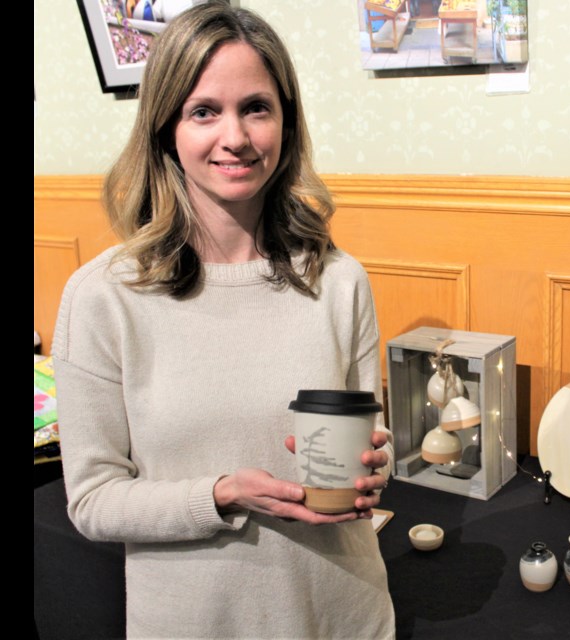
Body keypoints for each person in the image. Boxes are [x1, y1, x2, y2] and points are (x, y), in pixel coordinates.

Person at [52, 2, 396, 638]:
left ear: (286, 125)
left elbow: (367, 449)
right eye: (204, 111)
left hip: (343, 612)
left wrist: (378, 463)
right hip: (196, 621)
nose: (234, 136)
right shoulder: (103, 296)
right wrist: (220, 495)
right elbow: (94, 501)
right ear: (166, 130)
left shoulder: (339, 279)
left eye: (256, 108)